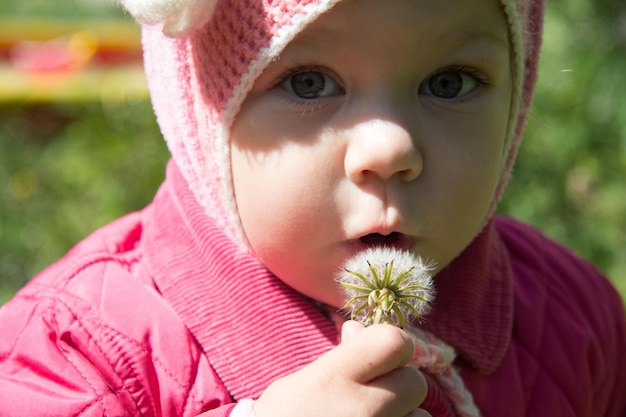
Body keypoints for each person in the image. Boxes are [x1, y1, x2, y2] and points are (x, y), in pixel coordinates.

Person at [0, 0, 625, 415]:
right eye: (309, 82)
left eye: (450, 81)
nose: (390, 147)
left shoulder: (572, 319)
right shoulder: (80, 361)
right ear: (202, 109)